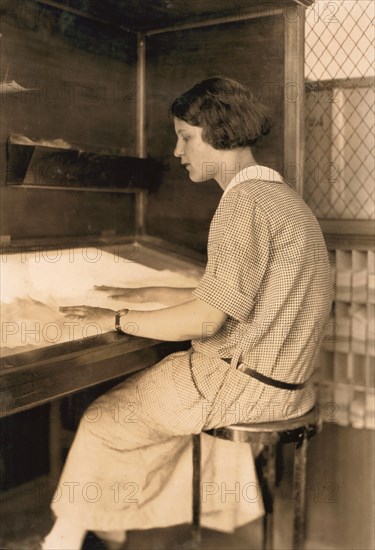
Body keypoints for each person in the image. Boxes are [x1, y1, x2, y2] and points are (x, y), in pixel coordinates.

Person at [42, 77, 332, 550]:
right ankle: (119, 529)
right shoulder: (281, 199)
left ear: (218, 132)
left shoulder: (243, 203)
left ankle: (67, 539)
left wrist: (112, 320)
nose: (178, 151)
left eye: (185, 136)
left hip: (237, 388)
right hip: (287, 387)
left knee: (104, 418)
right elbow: (239, 292)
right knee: (161, 421)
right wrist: (148, 291)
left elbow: (205, 321)